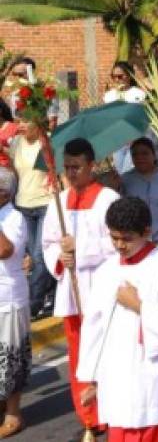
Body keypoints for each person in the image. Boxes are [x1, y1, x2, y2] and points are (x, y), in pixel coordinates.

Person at [76, 197, 158, 440]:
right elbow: (95, 329)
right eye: (114, 237)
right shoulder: (106, 271)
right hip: (120, 382)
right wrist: (93, 378)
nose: (120, 245)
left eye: (127, 238)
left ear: (146, 231)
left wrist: (139, 305)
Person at [41, 138, 119, 438]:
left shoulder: (108, 199)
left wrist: (81, 247)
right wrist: (61, 257)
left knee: (106, 352)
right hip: (71, 291)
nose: (71, 173)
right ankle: (89, 417)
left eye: (77, 167)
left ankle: (112, 411)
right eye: (67, 168)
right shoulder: (59, 204)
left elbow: (118, 241)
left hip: (100, 286)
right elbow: (47, 243)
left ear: (92, 166)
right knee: (79, 355)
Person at [8, 118, 55, 319]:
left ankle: (32, 305)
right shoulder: (16, 143)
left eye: (26, 121)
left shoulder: (48, 141)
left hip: (45, 203)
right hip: (23, 204)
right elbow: (15, 173)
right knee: (30, 258)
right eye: (20, 120)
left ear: (37, 122)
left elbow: (56, 170)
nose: (22, 125)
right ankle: (52, 293)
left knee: (39, 256)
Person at [0, 168, 30, 438]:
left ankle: (14, 414)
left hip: (8, 297)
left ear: (5, 192)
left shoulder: (15, 217)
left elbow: (5, 250)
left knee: (12, 358)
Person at [119, 138, 158, 257]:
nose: (140, 158)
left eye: (144, 153)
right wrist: (115, 187)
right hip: (138, 242)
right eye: (135, 154)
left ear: (154, 154)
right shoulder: (125, 180)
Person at [103, 61, 147, 174]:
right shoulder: (109, 96)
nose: (117, 80)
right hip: (117, 140)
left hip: (134, 139)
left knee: (129, 171)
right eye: (114, 77)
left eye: (120, 76)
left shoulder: (138, 94)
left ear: (129, 76)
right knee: (119, 172)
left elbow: (142, 118)